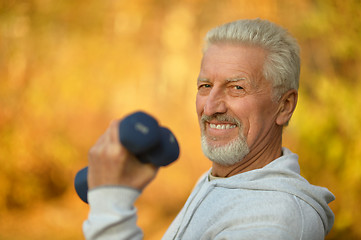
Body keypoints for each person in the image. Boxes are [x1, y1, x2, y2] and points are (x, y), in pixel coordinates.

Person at [82, 18, 335, 240]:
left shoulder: (272, 222)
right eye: (205, 86)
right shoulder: (226, 179)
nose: (211, 106)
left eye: (237, 87)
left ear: (284, 106)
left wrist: (110, 209)